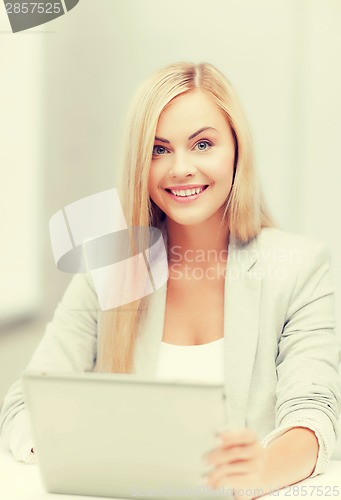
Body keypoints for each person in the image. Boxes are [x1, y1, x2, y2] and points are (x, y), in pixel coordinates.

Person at [1, 61, 341, 499]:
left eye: (202, 144)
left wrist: (261, 469)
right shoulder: (110, 266)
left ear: (237, 151)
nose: (180, 168)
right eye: (159, 149)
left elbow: (313, 417)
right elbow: (23, 406)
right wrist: (84, 447)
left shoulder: (300, 268)